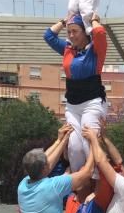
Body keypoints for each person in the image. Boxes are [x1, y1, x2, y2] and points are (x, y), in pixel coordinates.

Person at [44, 13, 108, 174]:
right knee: (73, 146)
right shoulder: (67, 49)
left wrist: (93, 20)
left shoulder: (96, 50)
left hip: (92, 102)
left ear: (85, 31)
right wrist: (65, 20)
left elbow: (99, 33)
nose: (71, 35)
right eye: (69, 32)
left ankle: (97, 179)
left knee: (89, 141)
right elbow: (48, 36)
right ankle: (78, 184)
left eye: (75, 31)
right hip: (72, 105)